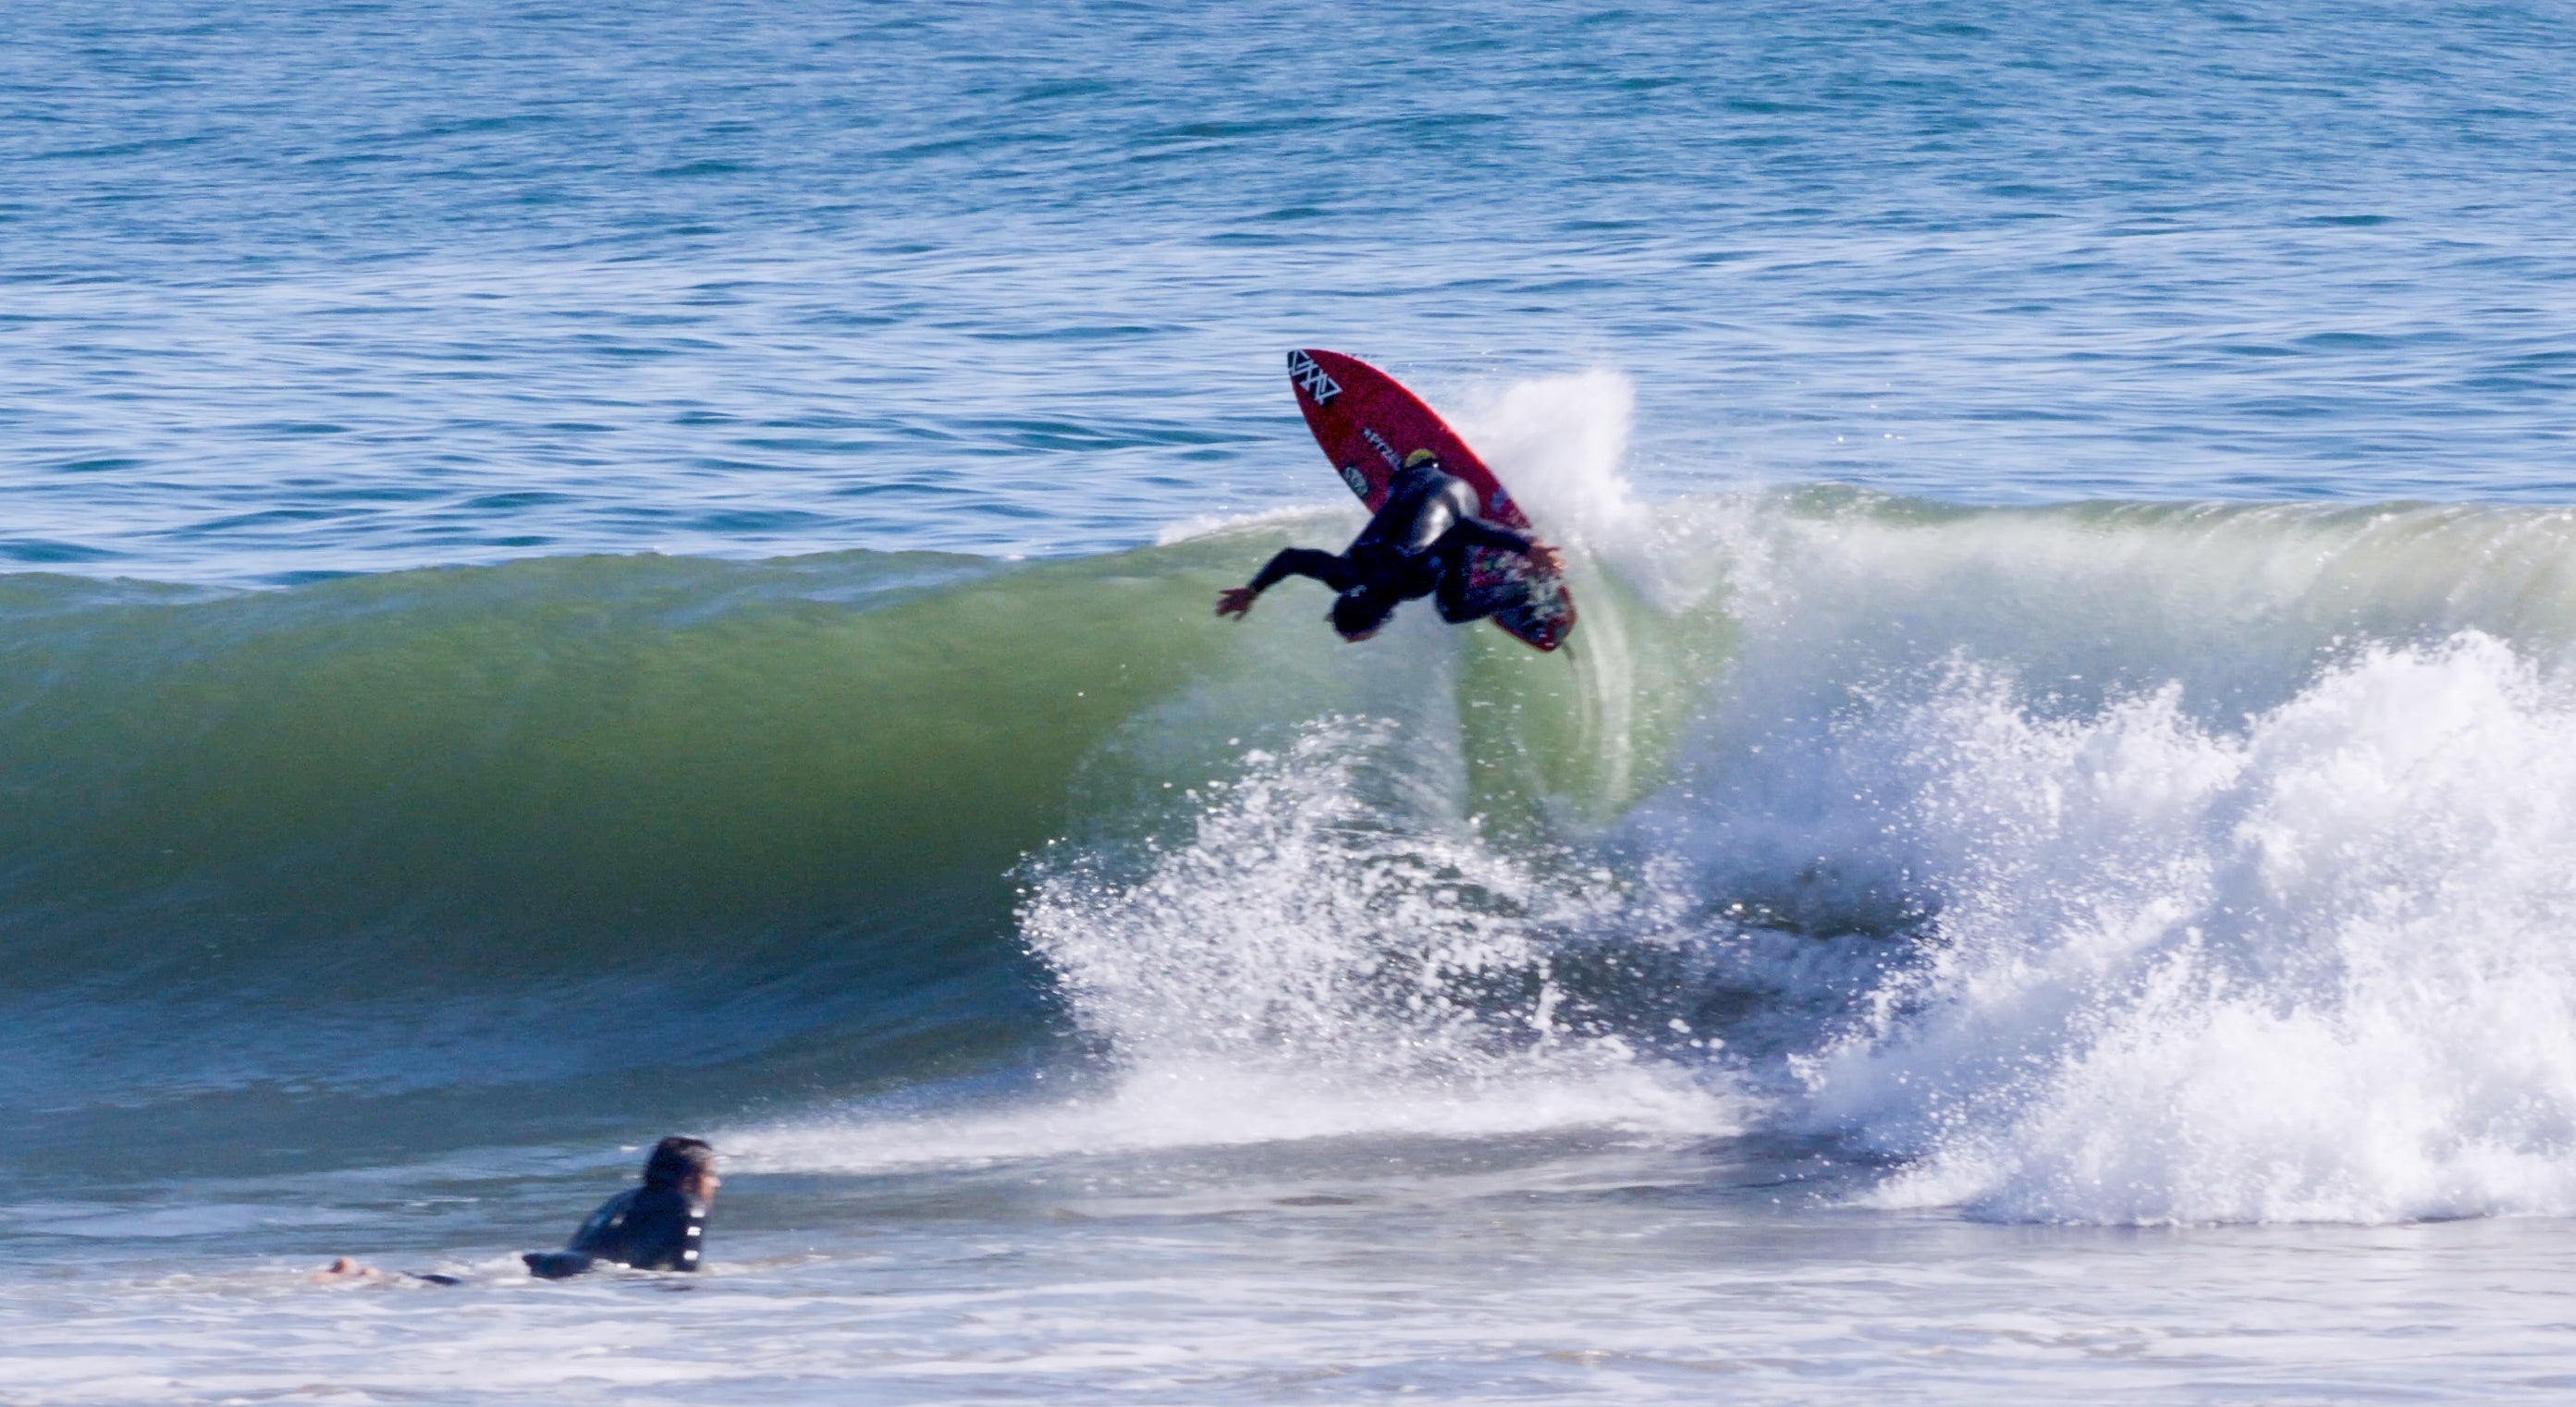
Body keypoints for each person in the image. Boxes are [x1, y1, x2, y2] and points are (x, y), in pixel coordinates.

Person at [1216, 449, 1563, 641]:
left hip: (1464, 498)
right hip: (1420, 477)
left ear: (1379, 619)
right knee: (1400, 505)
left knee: (1453, 609)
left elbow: (1463, 531)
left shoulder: (1412, 581)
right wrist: (1252, 590)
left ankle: (1523, 590)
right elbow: (1291, 558)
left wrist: (1524, 547)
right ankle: (1418, 465)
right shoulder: (1342, 574)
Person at [522, 1136, 719, 1279]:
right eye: (710, 1174)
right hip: (591, 1271)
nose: (716, 1183)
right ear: (688, 1180)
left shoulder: (622, 1198)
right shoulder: (691, 1205)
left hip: (551, 1262)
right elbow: (686, 1271)